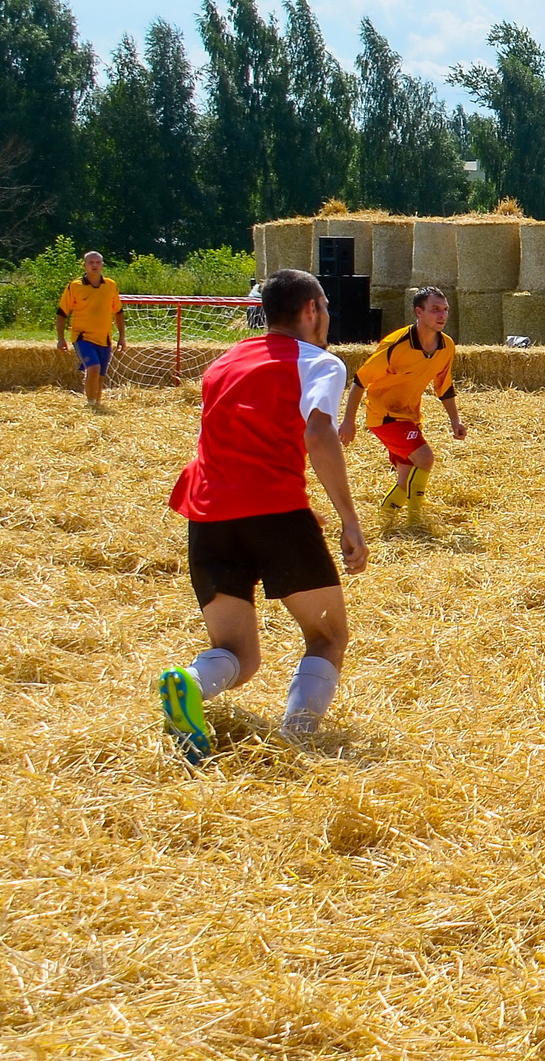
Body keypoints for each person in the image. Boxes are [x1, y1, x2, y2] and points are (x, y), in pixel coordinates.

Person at [156, 270, 368, 765]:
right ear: (312, 309)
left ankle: (190, 682)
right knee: (328, 636)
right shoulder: (321, 363)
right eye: (326, 308)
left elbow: (230, 441)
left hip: (208, 515)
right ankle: (295, 740)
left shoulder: (223, 362)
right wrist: (348, 518)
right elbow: (319, 435)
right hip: (273, 512)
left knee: (239, 655)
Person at [340, 287, 466, 521]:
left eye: (445, 309)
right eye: (435, 309)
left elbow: (444, 386)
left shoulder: (446, 346)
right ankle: (417, 521)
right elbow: (359, 381)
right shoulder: (396, 345)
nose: (442, 315)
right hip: (383, 415)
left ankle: (386, 520)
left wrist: (455, 420)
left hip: (409, 416)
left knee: (406, 476)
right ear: (419, 312)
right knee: (425, 458)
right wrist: (349, 422)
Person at [55, 251, 126, 410]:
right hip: (82, 336)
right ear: (84, 265)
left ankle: (97, 405)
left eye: (98, 262)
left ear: (102, 265)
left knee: (101, 376)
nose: (94, 265)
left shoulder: (110, 285)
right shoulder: (75, 286)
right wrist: (60, 338)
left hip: (104, 337)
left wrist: (122, 336)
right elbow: (61, 313)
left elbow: (118, 312)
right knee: (93, 368)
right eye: (91, 263)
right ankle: (90, 403)